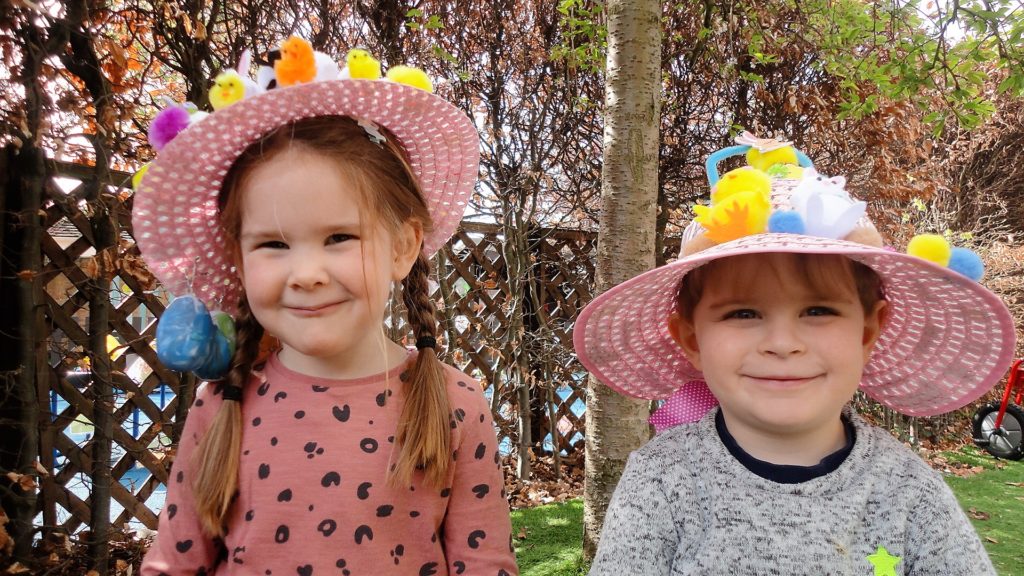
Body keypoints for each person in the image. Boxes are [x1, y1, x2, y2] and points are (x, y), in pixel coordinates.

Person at [134, 37, 517, 575]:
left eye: (339, 237)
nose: (307, 274)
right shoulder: (220, 406)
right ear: (239, 259)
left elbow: (485, 565)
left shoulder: (455, 404)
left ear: (403, 247)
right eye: (273, 244)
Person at [574, 136, 1015, 575]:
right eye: (743, 313)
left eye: (818, 311)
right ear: (692, 340)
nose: (783, 343)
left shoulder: (910, 491)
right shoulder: (661, 480)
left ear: (867, 332)